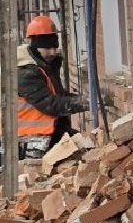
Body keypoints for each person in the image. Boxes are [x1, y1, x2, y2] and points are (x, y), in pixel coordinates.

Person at [16, 15, 87, 153]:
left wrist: (84, 98)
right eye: (48, 48)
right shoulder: (26, 73)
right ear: (35, 47)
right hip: (31, 141)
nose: (53, 52)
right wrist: (86, 102)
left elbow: (58, 95)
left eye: (55, 47)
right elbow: (50, 104)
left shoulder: (44, 66)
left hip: (48, 134)